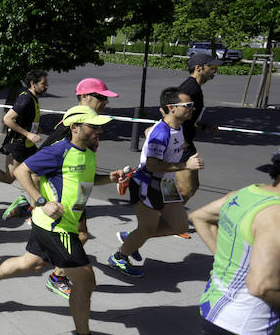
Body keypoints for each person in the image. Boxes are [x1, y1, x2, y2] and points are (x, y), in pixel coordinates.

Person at [0, 106, 127, 335]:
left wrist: (109, 178)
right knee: (86, 281)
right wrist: (41, 201)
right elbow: (21, 171)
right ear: (74, 127)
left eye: (99, 126)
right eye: (93, 126)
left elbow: (85, 179)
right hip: (56, 227)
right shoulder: (58, 151)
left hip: (60, 225)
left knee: (31, 263)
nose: (98, 131)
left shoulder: (88, 152)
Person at [190, 150, 280, 335]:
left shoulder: (247, 194)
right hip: (250, 329)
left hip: (218, 311)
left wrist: (231, 262)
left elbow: (200, 216)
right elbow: (262, 286)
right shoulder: (276, 214)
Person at [36, 78, 119, 299]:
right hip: (61, 201)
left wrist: (109, 178)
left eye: (106, 98)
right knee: (39, 258)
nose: (105, 102)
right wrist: (40, 201)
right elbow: (35, 166)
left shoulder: (91, 124)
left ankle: (57, 273)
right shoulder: (68, 126)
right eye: (100, 97)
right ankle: (57, 277)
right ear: (84, 97)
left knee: (78, 237)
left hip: (78, 194)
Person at [110, 87, 205, 277]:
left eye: (192, 105)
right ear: (171, 108)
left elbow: (149, 131)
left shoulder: (177, 126)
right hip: (148, 184)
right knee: (147, 228)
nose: (192, 108)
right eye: (188, 105)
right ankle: (119, 257)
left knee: (180, 226)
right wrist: (185, 165)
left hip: (167, 185)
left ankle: (133, 238)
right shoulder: (161, 133)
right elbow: (152, 165)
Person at [0, 69, 49, 219]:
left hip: (28, 145)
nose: (47, 86)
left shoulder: (34, 98)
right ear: (33, 83)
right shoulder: (25, 98)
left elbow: (26, 119)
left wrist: (35, 128)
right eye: (43, 83)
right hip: (17, 144)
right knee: (9, 178)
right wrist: (28, 134)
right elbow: (7, 119)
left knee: (37, 175)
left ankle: (33, 211)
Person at [176, 54, 222, 207]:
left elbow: (188, 117)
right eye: (212, 66)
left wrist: (203, 126)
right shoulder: (189, 89)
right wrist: (180, 142)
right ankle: (167, 216)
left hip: (181, 141)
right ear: (198, 68)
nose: (215, 70)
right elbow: (172, 114)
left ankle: (166, 215)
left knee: (184, 186)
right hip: (180, 143)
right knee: (188, 187)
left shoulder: (194, 88)